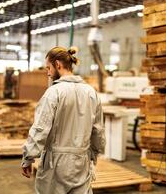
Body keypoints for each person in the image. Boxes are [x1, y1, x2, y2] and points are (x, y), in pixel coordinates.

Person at [21, 46, 105, 194]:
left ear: (58, 64)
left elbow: (40, 128)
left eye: (48, 68)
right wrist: (94, 154)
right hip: (81, 161)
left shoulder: (53, 93)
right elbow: (98, 130)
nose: (48, 73)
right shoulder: (91, 93)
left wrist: (28, 157)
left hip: (56, 164)